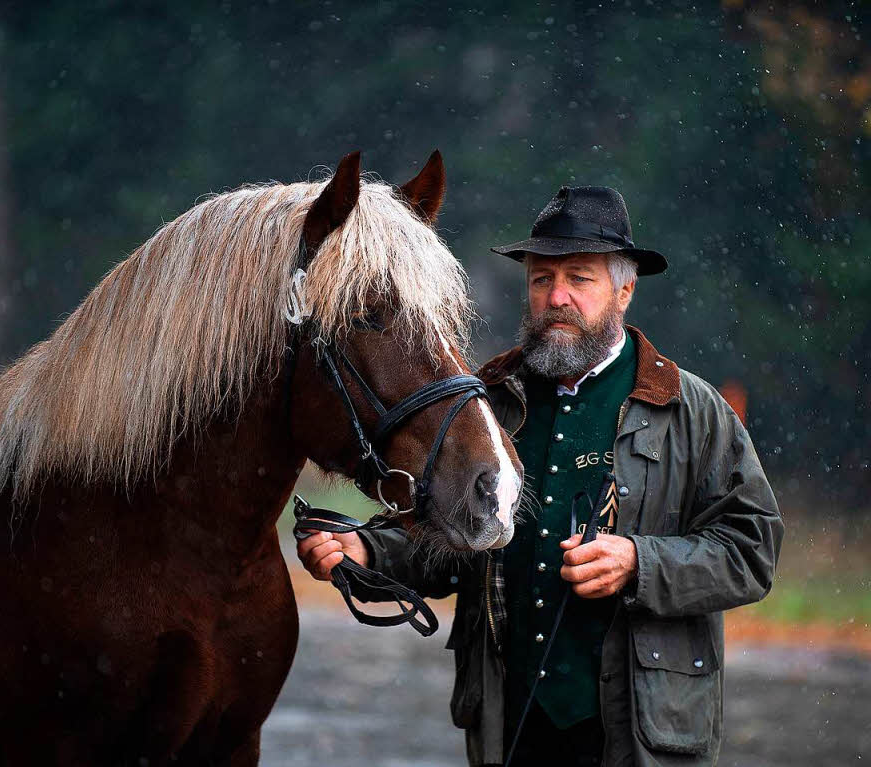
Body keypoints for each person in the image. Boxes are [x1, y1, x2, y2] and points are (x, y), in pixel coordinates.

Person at [297, 185, 783, 767]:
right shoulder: (487, 404)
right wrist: (371, 551)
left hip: (643, 736)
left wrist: (640, 563)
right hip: (512, 726)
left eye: (580, 279)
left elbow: (752, 552)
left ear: (624, 291)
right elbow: (453, 543)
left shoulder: (691, 410)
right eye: (540, 279)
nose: (557, 297)